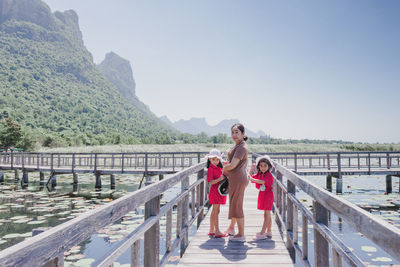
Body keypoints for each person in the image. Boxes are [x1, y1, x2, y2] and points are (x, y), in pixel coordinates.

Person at [223, 123, 249, 242]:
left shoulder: (242, 147)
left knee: (237, 206)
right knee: (234, 204)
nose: (234, 134)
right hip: (236, 178)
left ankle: (241, 235)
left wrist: (224, 168)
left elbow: (233, 165)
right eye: (232, 132)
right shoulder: (238, 145)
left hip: (238, 179)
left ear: (243, 134)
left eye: (237, 132)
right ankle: (232, 228)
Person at [248, 155, 275, 240]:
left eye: (265, 166)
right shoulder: (260, 174)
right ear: (258, 167)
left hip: (268, 195)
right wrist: (252, 168)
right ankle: (269, 231)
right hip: (262, 195)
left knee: (267, 214)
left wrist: (253, 180)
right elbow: (251, 176)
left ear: (269, 166)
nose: (263, 168)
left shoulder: (269, 175)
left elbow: (263, 182)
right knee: (266, 214)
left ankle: (262, 233)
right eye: (261, 166)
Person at [205, 149, 228, 238]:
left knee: (216, 211)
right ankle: (217, 231)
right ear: (210, 160)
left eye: (217, 159)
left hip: (218, 191)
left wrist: (225, 166)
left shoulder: (218, 168)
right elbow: (210, 182)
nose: (215, 161)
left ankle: (212, 229)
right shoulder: (211, 169)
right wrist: (219, 179)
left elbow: (222, 173)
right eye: (213, 159)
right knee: (215, 211)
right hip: (215, 192)